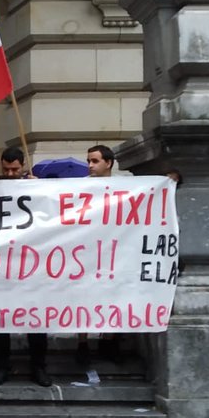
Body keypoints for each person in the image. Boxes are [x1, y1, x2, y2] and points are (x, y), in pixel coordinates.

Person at [0, 147, 49, 386]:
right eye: (6, 169)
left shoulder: (37, 188)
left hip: (32, 268)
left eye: (15, 169)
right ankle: (1, 366)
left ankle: (39, 367)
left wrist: (40, 189)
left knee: (36, 321)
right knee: (0, 322)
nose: (11, 173)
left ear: (23, 166)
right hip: (2, 267)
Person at [81, 144, 118, 366]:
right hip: (87, 253)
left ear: (109, 163)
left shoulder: (125, 186)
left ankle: (110, 341)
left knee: (113, 297)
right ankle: (82, 344)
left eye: (94, 161)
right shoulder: (81, 187)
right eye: (88, 161)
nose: (90, 165)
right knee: (84, 297)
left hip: (115, 252)